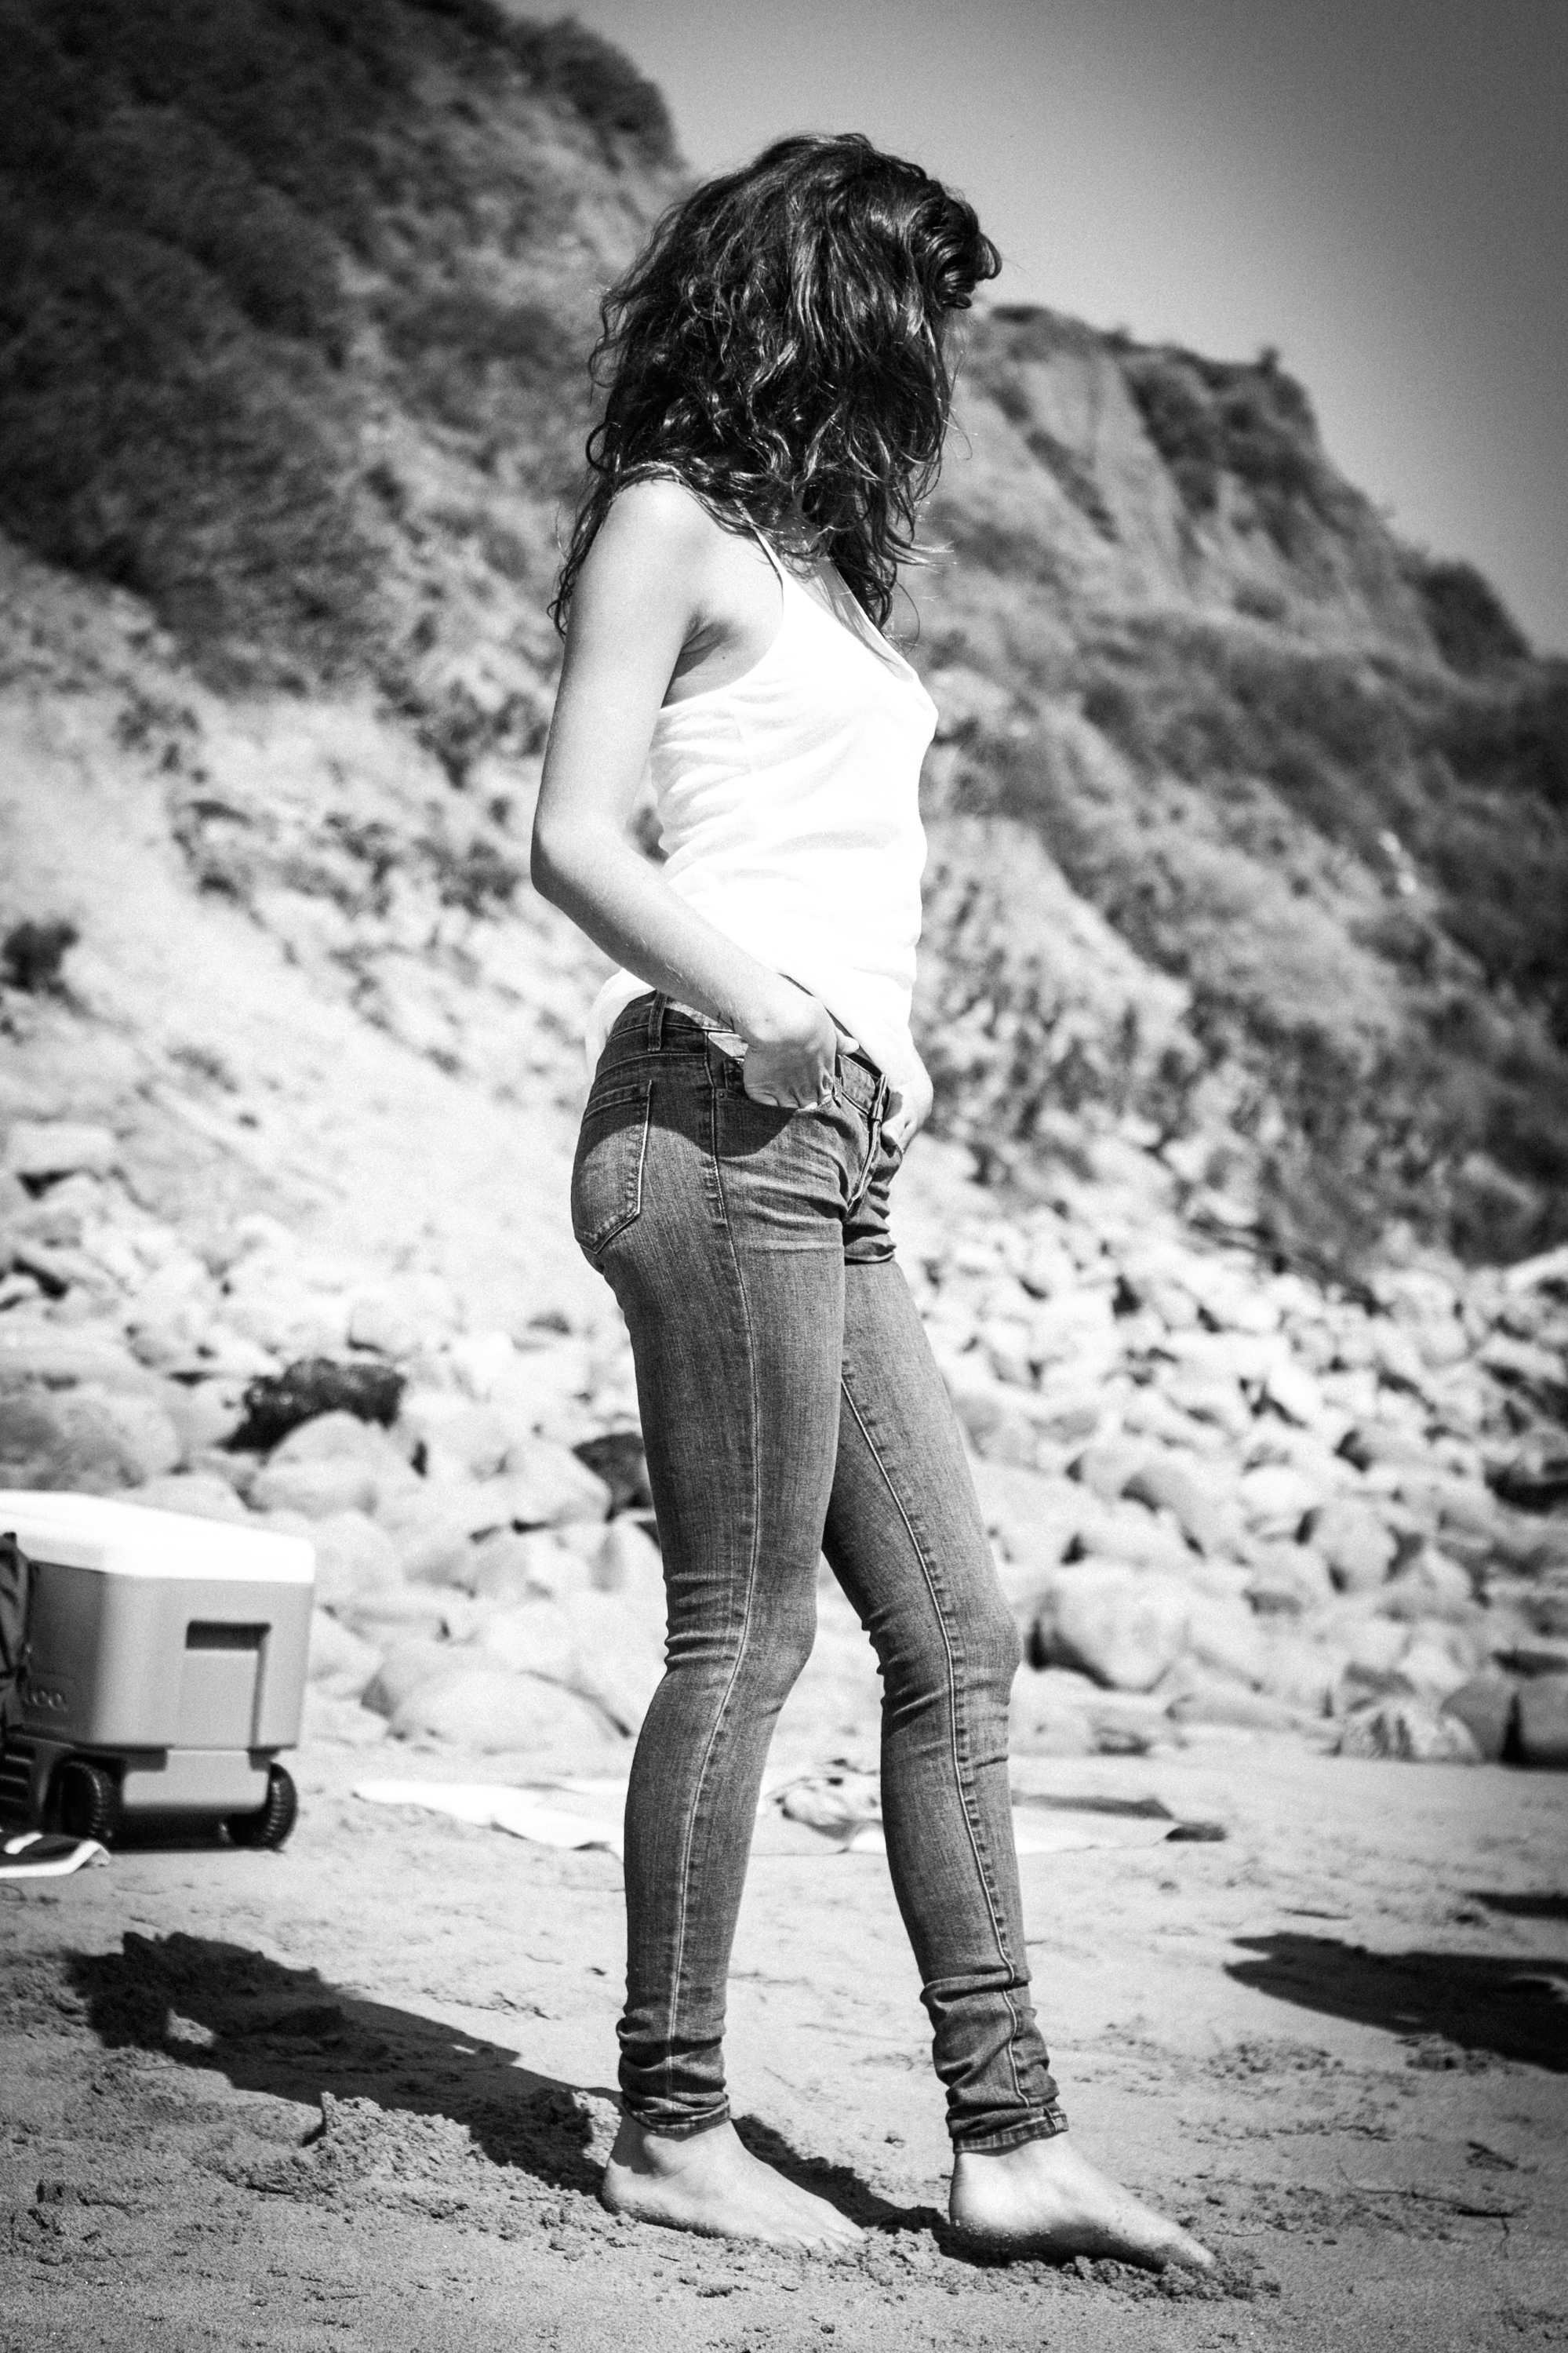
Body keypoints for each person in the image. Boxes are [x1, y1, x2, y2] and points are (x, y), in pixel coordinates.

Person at [532, 133, 1212, 2271]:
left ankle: (1011, 2143)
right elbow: (574, 835)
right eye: (921, 310)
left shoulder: (817, 562)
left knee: (959, 1639)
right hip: (715, 1114)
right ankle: (668, 2121)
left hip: (830, 1158)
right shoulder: (668, 516)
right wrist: (773, 1016)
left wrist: (849, 1072)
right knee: (747, 1633)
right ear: (827, 303)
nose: (941, 357)